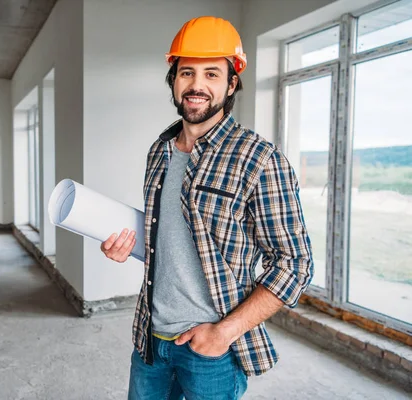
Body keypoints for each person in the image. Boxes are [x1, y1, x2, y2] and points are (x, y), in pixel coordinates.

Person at [100, 16, 314, 400]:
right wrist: (127, 245)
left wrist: (224, 332)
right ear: (173, 79)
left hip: (211, 351)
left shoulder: (259, 158)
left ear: (232, 83)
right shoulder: (160, 151)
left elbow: (295, 264)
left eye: (212, 74)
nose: (197, 85)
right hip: (150, 338)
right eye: (187, 73)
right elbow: (174, 242)